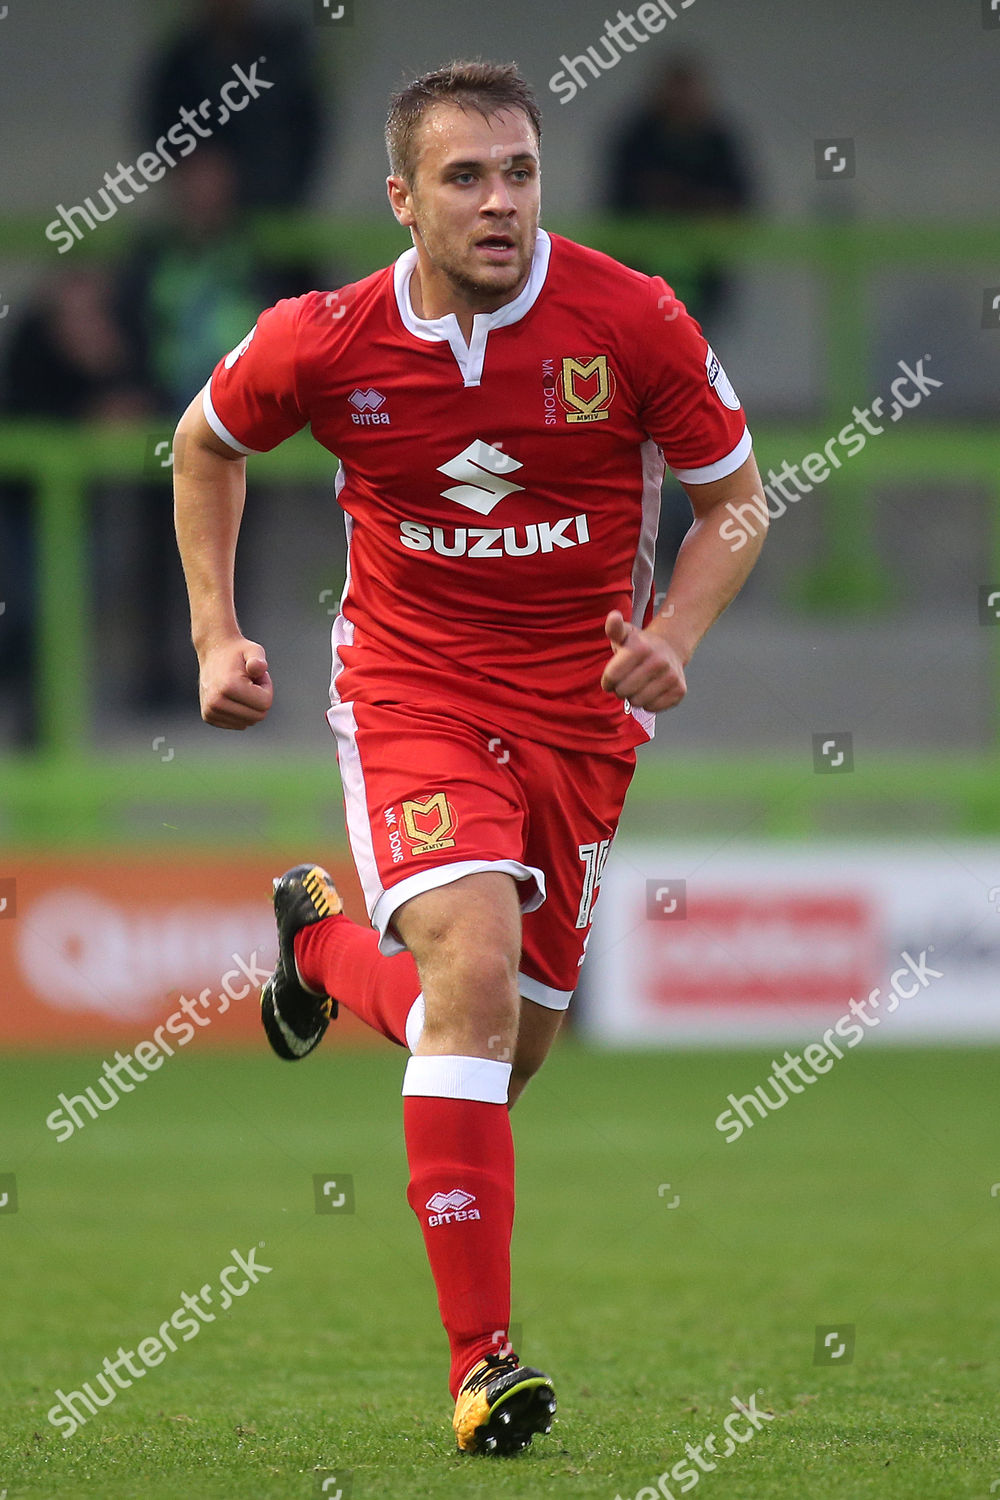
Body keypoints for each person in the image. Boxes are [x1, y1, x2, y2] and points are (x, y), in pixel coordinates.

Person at [172, 60, 766, 1457]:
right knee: (476, 978)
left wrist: (676, 627)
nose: (500, 202)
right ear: (403, 198)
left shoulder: (634, 318)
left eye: (518, 173)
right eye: (465, 177)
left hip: (584, 716)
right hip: (414, 691)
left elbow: (735, 501)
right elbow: (203, 445)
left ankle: (317, 954)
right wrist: (215, 634)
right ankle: (482, 1366)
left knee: (507, 1048)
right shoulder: (325, 339)